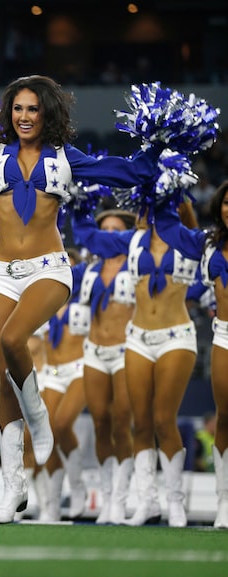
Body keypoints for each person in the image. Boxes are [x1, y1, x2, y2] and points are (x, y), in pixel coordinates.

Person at [0, 74, 163, 523]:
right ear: (8, 114)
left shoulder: (66, 158)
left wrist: (154, 144)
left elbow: (129, 171)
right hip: (2, 275)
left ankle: (40, 420)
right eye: (18, 109)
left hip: (50, 268)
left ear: (46, 113)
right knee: (2, 386)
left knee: (13, 341)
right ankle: (14, 490)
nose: (25, 116)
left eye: (33, 109)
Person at [74, 199, 200, 527]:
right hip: (138, 338)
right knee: (140, 422)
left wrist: (177, 191)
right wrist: (77, 203)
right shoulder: (132, 241)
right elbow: (90, 237)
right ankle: (146, 502)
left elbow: (198, 236)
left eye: (156, 202)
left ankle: (175, 503)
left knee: (163, 419)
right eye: (146, 203)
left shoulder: (186, 238)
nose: (148, 210)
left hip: (176, 334)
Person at [152, 183, 228, 528]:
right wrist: (172, 188)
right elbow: (169, 228)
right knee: (225, 417)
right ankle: (224, 502)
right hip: (223, 336)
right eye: (226, 202)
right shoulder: (208, 242)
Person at [76, 208, 137, 525]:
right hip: (94, 351)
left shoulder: (138, 265)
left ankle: (122, 499)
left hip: (127, 350)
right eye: (104, 229)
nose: (109, 234)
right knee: (99, 421)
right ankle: (107, 493)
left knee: (121, 420)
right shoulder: (89, 270)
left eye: (116, 229)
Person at [34, 249, 88, 522]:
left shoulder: (88, 296)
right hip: (51, 372)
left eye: (71, 265)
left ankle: (77, 486)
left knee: (63, 423)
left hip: (80, 366)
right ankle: (52, 504)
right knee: (48, 435)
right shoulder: (44, 300)